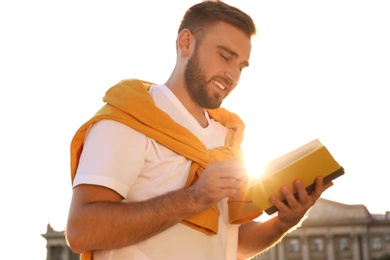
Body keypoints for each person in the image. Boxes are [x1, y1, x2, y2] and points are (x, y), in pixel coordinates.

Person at [66, 1, 333, 260]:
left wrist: (284, 222)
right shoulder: (128, 119)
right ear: (186, 43)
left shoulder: (228, 138)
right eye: (225, 56)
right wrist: (193, 197)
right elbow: (81, 231)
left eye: (240, 66)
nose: (232, 75)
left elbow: (232, 244)